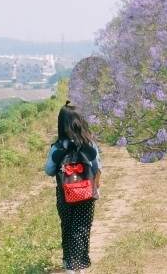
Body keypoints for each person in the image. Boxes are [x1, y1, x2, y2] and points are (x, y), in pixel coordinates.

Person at [45, 101, 102, 273]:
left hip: (64, 194)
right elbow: (97, 168)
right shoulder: (89, 144)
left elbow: (49, 170)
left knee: (68, 226)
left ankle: (68, 261)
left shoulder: (57, 147)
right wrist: (95, 186)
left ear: (61, 124)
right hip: (86, 193)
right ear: (80, 121)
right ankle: (78, 265)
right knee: (82, 227)